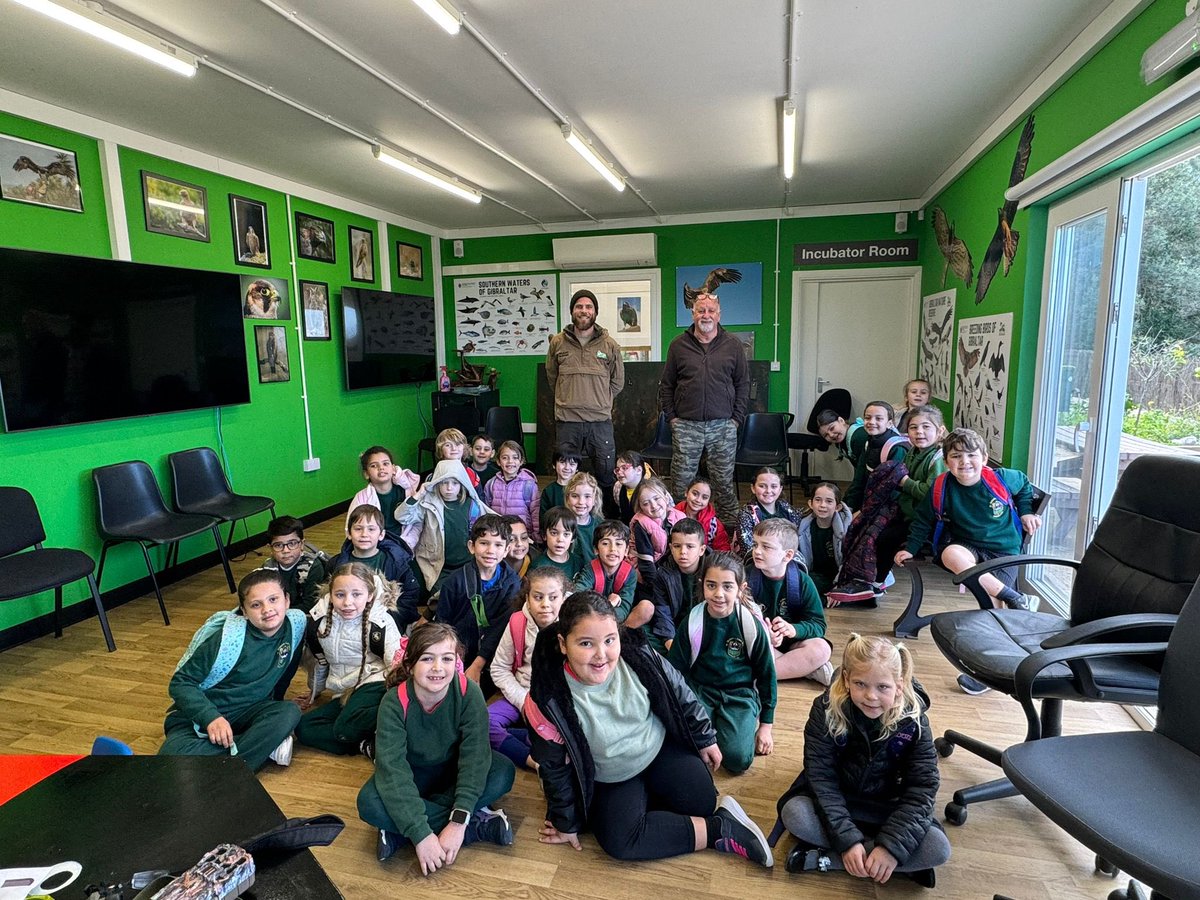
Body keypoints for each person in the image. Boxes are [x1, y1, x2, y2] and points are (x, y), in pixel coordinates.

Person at [525, 591, 774, 866]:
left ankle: (650, 807)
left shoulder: (638, 655)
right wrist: (566, 821)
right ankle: (719, 829)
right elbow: (553, 766)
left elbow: (679, 691)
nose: (601, 655)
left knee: (701, 803)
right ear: (563, 644)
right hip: (611, 776)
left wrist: (705, 738)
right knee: (621, 842)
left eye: (610, 640)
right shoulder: (547, 697)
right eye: (586, 643)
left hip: (658, 750)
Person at [774, 634, 948, 887]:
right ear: (846, 680)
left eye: (883, 687)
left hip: (888, 806)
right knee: (795, 814)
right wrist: (847, 840)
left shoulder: (914, 720)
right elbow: (821, 778)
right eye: (860, 684)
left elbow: (923, 789)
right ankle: (896, 867)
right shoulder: (825, 709)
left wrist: (891, 847)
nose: (871, 696)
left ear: (899, 685)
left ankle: (830, 860)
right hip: (839, 800)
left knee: (939, 848)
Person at [894, 427, 1042, 692]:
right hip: (968, 546)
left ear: (984, 458)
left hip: (1004, 550)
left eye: (971, 455)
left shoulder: (1001, 478)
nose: (965, 462)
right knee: (950, 554)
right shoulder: (942, 486)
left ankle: (988, 672)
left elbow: (1024, 484)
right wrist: (912, 548)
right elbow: (923, 519)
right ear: (947, 461)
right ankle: (1013, 595)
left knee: (993, 607)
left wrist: (1027, 512)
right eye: (956, 456)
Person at [357, 623, 517, 867]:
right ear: (410, 666)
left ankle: (400, 829)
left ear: (457, 663)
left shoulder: (469, 693)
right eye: (427, 658)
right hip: (413, 776)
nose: (437, 668)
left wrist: (456, 822)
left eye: (446, 658)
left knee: (502, 771)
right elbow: (393, 771)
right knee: (369, 803)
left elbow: (475, 758)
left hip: (454, 772)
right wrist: (421, 834)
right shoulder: (393, 703)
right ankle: (476, 825)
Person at [159, 569, 303, 772]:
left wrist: (275, 702)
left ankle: (230, 763)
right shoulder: (226, 640)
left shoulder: (296, 624)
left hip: (250, 712)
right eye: (256, 604)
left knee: (289, 712)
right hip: (203, 716)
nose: (267, 609)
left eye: (273, 599)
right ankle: (254, 754)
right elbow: (180, 683)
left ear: (287, 600)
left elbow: (286, 668)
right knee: (170, 757)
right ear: (243, 611)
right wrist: (210, 718)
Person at [667, 552, 776, 774]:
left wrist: (766, 726)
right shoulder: (693, 621)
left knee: (737, 760)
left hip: (739, 694)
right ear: (702, 585)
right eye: (711, 585)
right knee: (690, 750)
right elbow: (674, 671)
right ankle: (713, 721)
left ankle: (739, 721)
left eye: (727, 586)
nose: (719, 594)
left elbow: (766, 676)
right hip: (700, 691)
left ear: (740, 588)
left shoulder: (749, 625)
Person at [659, 292, 750, 530]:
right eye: (701, 310)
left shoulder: (733, 345)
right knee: (681, 483)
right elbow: (667, 385)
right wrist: (673, 419)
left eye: (711, 310)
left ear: (719, 315)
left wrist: (736, 420)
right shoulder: (678, 345)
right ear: (693, 314)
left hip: (723, 426)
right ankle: (680, 529)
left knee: (723, 483)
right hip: (686, 425)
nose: (706, 315)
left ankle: (729, 532)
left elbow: (742, 384)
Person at [296, 563, 401, 758]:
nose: (347, 603)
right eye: (340, 594)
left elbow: (396, 665)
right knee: (304, 728)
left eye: (356, 594)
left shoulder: (381, 622)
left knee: (345, 726)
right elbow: (320, 661)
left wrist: (399, 699)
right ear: (331, 593)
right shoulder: (319, 620)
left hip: (374, 683)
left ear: (369, 595)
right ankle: (366, 744)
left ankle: (397, 718)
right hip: (343, 690)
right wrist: (314, 693)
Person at [545, 289, 625, 510]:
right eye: (579, 306)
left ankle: (607, 521)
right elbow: (552, 377)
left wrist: (600, 399)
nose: (584, 310)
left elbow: (617, 382)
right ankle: (565, 522)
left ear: (595, 312)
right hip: (567, 421)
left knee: (606, 474)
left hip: (600, 422)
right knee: (566, 476)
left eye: (589, 307)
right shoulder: (558, 343)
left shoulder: (609, 345)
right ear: (572, 311)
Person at [488, 566, 570, 770]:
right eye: (538, 597)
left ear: (564, 597)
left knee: (573, 732)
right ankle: (533, 760)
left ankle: (535, 735)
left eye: (553, 597)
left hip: (557, 703)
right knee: (482, 723)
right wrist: (524, 702)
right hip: (522, 695)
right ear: (527, 598)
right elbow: (499, 668)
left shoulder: (573, 625)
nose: (545, 605)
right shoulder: (517, 622)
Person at [434, 514, 521, 688]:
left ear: (506, 550)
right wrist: (453, 657)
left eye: (498, 545)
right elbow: (443, 624)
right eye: (484, 543)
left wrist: (478, 664)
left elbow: (501, 629)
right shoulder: (455, 581)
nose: (490, 551)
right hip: (458, 652)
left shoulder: (511, 583)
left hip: (493, 657)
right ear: (471, 546)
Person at [746, 519, 833, 685]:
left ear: (788, 555)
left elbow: (818, 625)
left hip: (792, 644)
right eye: (755, 544)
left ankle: (755, 674)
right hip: (758, 643)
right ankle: (805, 670)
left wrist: (793, 629)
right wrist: (764, 634)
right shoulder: (745, 577)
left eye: (766, 547)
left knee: (822, 649)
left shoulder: (803, 582)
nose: (757, 551)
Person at [399, 459, 493, 598]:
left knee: (470, 597)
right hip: (438, 568)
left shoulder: (472, 505)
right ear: (437, 483)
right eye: (444, 483)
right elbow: (402, 516)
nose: (449, 488)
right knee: (442, 599)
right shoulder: (428, 505)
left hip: (468, 565)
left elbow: (495, 521)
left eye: (454, 483)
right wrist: (419, 494)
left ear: (462, 484)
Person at [329, 505, 421, 630]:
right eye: (358, 529)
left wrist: (390, 617)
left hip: (385, 622)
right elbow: (327, 595)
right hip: (345, 621)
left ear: (381, 534)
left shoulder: (396, 562)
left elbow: (410, 594)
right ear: (349, 534)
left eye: (371, 529)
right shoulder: (336, 563)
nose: (364, 534)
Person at [647, 517, 707, 653]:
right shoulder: (662, 573)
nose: (683, 552)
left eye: (690, 546)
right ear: (670, 547)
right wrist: (670, 642)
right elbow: (662, 611)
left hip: (705, 629)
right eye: (677, 546)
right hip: (676, 627)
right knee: (645, 634)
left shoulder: (713, 570)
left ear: (702, 550)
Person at [571, 519, 647, 626]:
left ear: (626, 550)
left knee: (647, 607)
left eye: (619, 544)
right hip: (592, 618)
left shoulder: (630, 573)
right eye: (606, 543)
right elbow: (578, 594)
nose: (613, 549)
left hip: (616, 620)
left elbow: (624, 608)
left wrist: (606, 617)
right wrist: (608, 604)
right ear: (596, 549)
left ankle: (619, 635)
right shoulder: (590, 569)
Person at [844, 401, 909, 511]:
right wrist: (849, 505)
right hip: (871, 500)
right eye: (868, 418)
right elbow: (859, 479)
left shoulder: (897, 448)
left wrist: (863, 512)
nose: (871, 422)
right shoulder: (869, 442)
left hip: (890, 507)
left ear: (889, 423)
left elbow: (892, 489)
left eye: (878, 419)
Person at [261, 515, 329, 614]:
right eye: (278, 545)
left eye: (292, 544)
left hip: (306, 615)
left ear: (302, 544)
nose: (286, 550)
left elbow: (311, 605)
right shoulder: (268, 567)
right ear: (270, 548)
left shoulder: (313, 567)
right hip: (276, 613)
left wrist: (280, 612)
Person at [796, 483, 853, 599]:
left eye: (829, 501)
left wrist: (839, 585)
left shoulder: (846, 529)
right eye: (818, 500)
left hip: (840, 576)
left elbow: (848, 561)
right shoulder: (802, 529)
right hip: (815, 575)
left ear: (838, 507)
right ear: (810, 504)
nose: (823, 505)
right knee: (806, 584)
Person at [348, 445, 414, 544]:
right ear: (366, 474)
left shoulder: (406, 491)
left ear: (393, 468)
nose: (381, 468)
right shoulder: (361, 498)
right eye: (374, 466)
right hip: (376, 546)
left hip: (405, 544)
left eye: (385, 464)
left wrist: (407, 544)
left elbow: (416, 523)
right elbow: (350, 528)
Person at [734, 467, 804, 560]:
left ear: (780, 489)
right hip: (758, 561)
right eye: (762, 486)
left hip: (787, 559)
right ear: (753, 488)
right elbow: (747, 549)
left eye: (774, 486)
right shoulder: (746, 514)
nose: (768, 491)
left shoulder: (788, 510)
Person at [629, 477, 688, 588]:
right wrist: (656, 587)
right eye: (646, 503)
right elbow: (645, 562)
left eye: (657, 498)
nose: (654, 506)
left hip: (672, 564)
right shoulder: (641, 525)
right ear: (640, 507)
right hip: (648, 571)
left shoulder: (679, 517)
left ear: (666, 497)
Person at [483, 440, 540, 539]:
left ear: (521, 461)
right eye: (505, 458)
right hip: (498, 535)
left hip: (521, 536)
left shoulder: (529, 485)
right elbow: (486, 510)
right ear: (498, 461)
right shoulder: (491, 484)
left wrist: (536, 534)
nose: (510, 461)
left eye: (515, 457)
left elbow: (535, 513)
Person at [675, 476, 732, 552]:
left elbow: (723, 549)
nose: (698, 500)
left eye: (704, 497)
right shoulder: (672, 516)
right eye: (695, 494)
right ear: (686, 492)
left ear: (709, 500)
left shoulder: (714, 525)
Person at [563, 471, 602, 570]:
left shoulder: (600, 525)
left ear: (595, 499)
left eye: (587, 496)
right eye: (575, 496)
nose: (581, 502)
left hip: (594, 575)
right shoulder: (562, 524)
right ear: (567, 498)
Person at [532, 506, 578, 577]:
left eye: (566, 534)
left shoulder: (578, 563)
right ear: (544, 535)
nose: (560, 539)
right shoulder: (538, 566)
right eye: (554, 533)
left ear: (572, 538)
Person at [612, 450, 652, 524]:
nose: (619, 472)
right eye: (617, 469)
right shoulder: (618, 487)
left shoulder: (652, 490)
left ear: (639, 470)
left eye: (624, 468)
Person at [539, 449, 580, 524]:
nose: (567, 467)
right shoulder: (549, 491)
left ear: (577, 468)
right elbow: (543, 519)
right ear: (554, 465)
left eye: (572, 464)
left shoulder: (581, 489)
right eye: (562, 462)